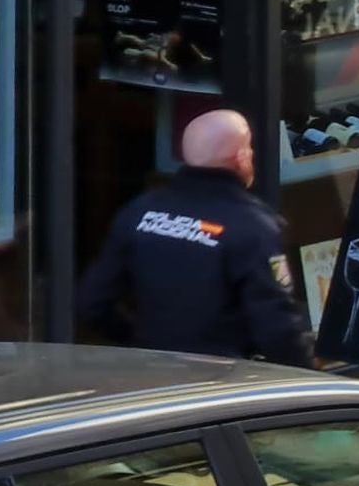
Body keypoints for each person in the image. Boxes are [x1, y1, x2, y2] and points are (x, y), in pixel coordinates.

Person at [78, 109, 312, 366]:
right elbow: (278, 329)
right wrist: (314, 381)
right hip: (221, 383)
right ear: (241, 157)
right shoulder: (254, 227)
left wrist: (140, 342)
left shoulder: (140, 211)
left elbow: (92, 304)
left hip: (151, 374)